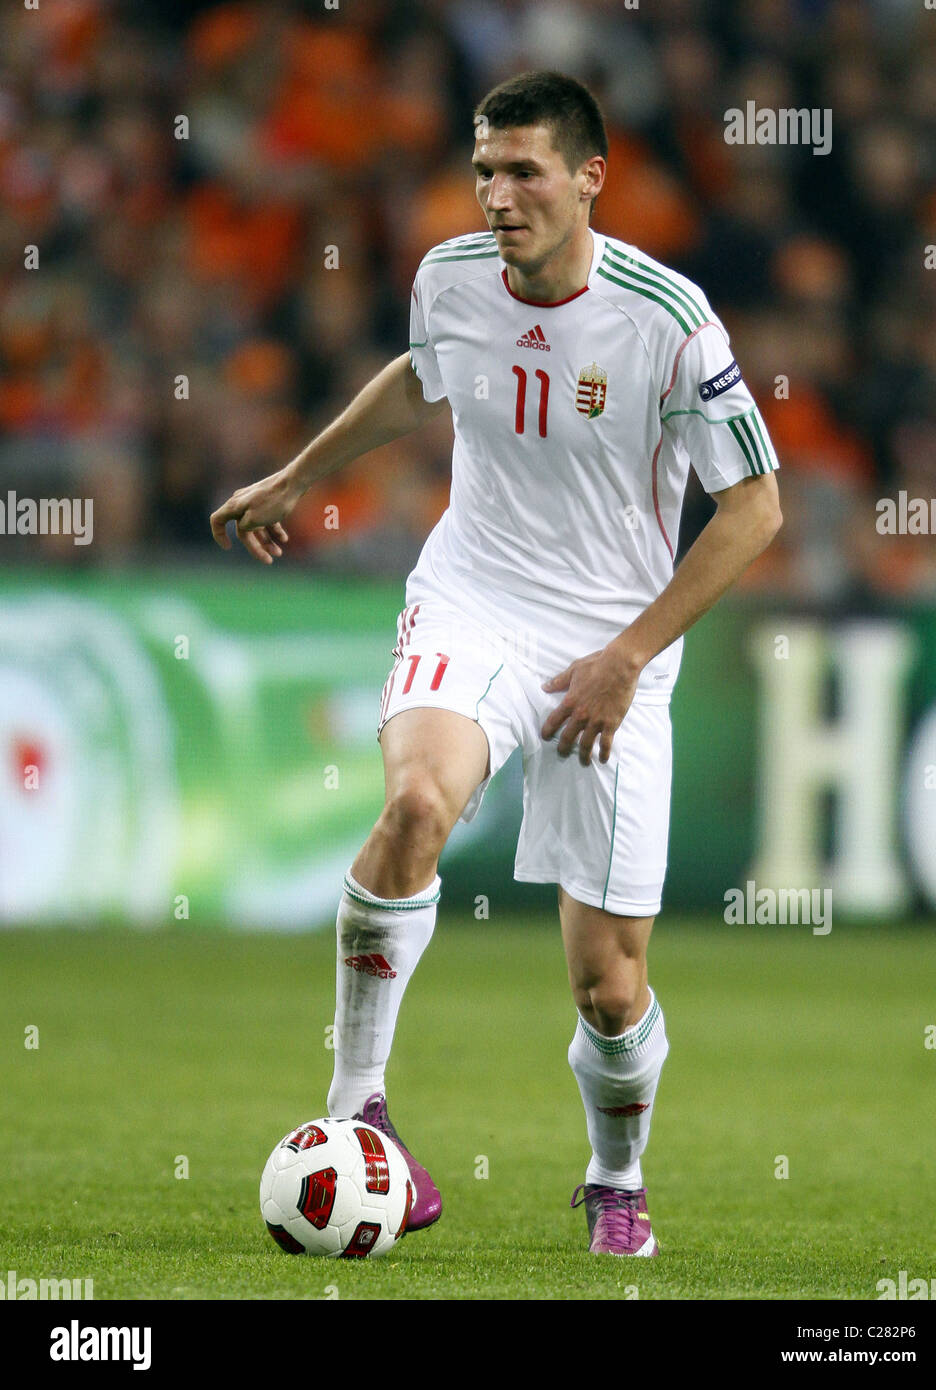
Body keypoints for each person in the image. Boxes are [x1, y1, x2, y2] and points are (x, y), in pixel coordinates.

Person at [210, 70, 782, 1257]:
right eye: (484, 170)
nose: (496, 195)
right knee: (416, 802)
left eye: (523, 171)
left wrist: (629, 654)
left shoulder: (669, 320)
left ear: (589, 179)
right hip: (473, 596)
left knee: (606, 988)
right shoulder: (449, 276)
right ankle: (357, 1111)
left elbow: (756, 510)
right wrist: (299, 473)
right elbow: (425, 377)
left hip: (612, 645)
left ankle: (615, 1176)